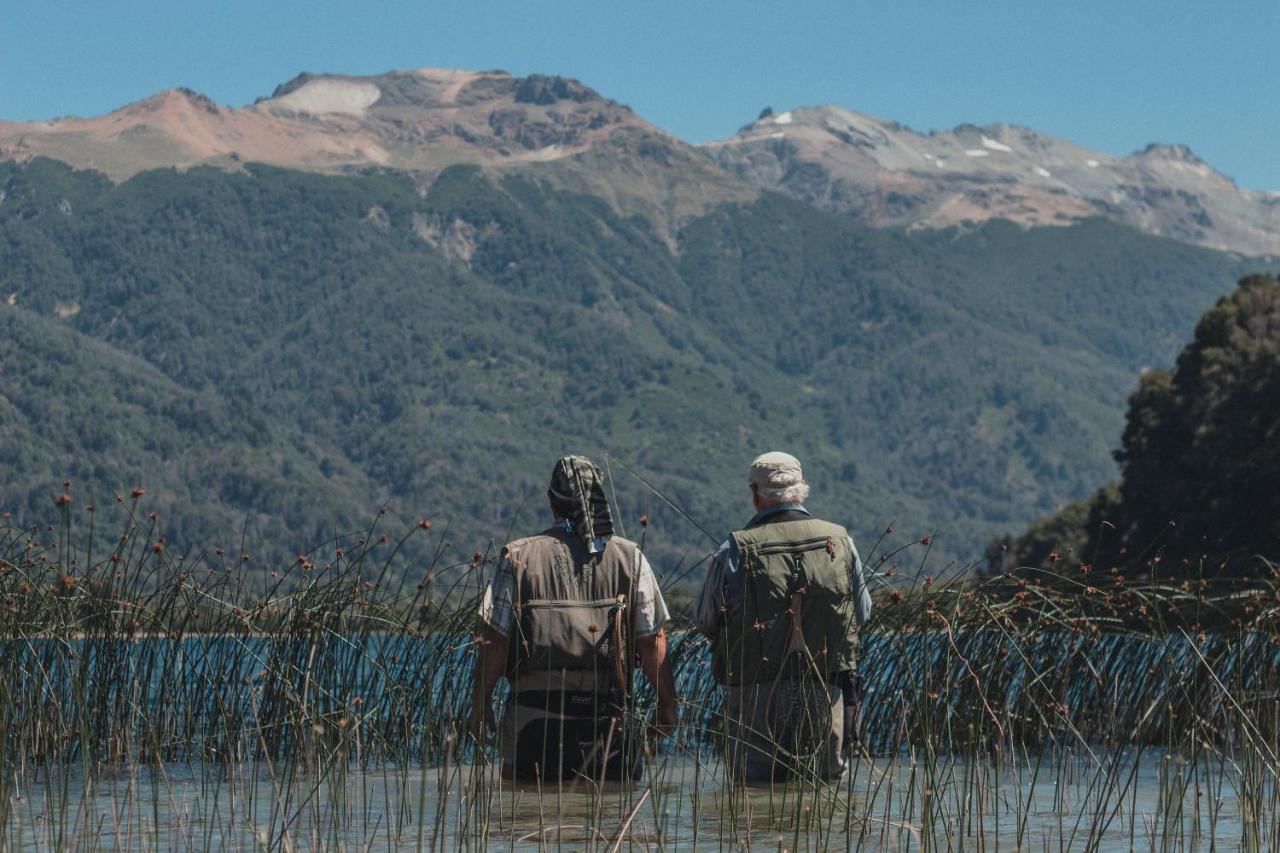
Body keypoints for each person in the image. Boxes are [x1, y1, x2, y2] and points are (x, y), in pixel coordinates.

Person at [470, 454, 679, 782]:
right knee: (611, 822)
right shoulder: (631, 557)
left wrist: (479, 705)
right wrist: (668, 704)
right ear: (600, 498)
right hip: (609, 722)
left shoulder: (518, 556)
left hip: (532, 719)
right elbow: (652, 641)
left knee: (529, 823)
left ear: (552, 500)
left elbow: (495, 639)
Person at [693, 451, 872, 783]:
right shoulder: (841, 541)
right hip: (824, 692)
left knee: (753, 802)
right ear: (802, 489)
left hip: (753, 699)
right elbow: (861, 614)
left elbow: (705, 621)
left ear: (755, 494)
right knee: (822, 799)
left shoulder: (733, 549)